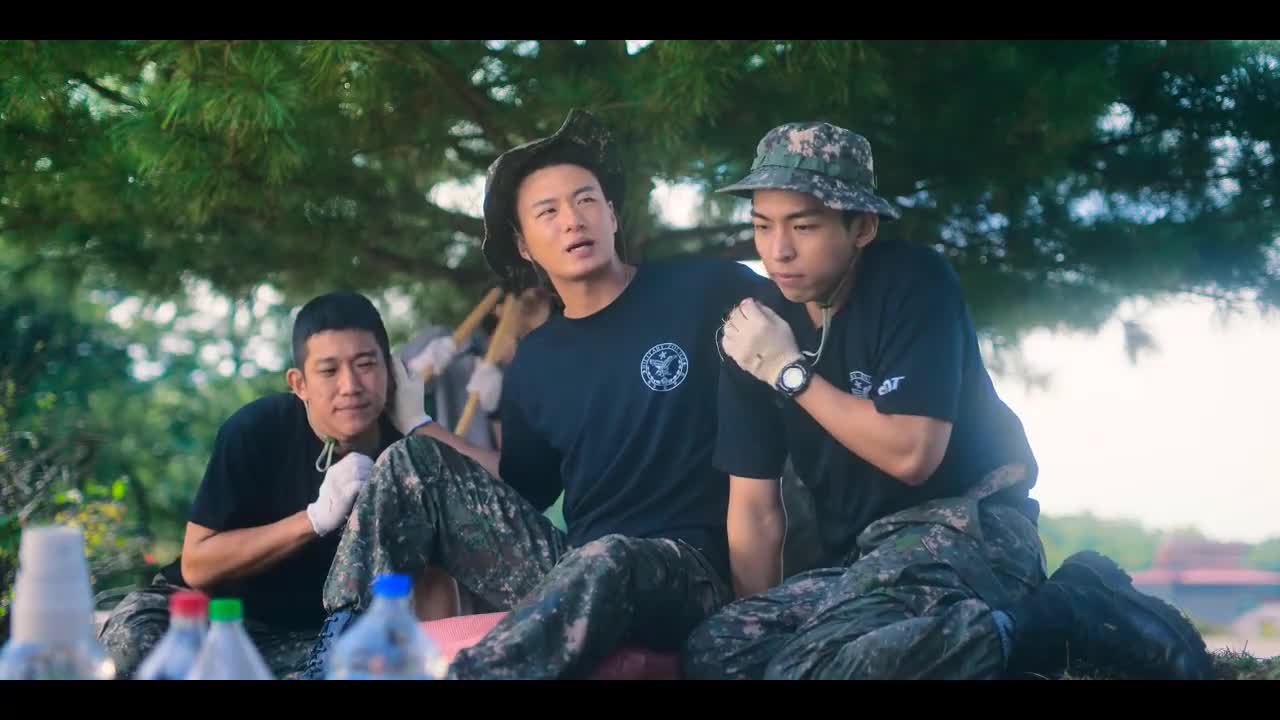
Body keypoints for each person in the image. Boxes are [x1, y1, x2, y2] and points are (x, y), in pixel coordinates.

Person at [681, 121, 1215, 680]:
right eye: (761, 226)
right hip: (861, 562)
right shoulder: (758, 328)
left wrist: (788, 372)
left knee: (815, 668)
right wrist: (758, 633)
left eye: (804, 226)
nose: (778, 251)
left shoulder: (912, 282)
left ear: (862, 226)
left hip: (972, 529)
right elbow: (754, 509)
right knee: (719, 652)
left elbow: (912, 454)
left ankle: (1064, 612)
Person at [302, 109, 769, 680]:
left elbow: (809, 325)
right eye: (548, 211)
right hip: (575, 568)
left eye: (586, 200)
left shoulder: (706, 289)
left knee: (609, 555)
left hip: (686, 571)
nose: (572, 220)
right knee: (407, 461)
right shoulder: (536, 359)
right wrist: (421, 426)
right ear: (524, 245)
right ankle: (337, 651)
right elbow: (519, 486)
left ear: (612, 214)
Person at [97, 291, 495, 679]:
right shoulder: (257, 429)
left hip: (315, 640)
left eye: (365, 364)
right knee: (133, 643)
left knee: (371, 662)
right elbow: (196, 565)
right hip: (213, 619)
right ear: (299, 383)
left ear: (390, 371)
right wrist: (313, 519)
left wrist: (419, 425)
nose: (350, 385)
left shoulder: (408, 450)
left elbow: (500, 495)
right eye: (329, 371)